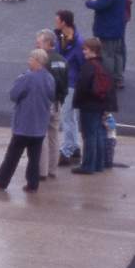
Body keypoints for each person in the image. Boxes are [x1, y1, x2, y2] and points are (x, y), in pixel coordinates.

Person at [0, 49, 56, 193]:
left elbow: (14, 95)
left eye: (30, 59)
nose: (28, 61)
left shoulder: (27, 77)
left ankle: (1, 182)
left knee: (12, 156)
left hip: (24, 125)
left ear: (37, 61)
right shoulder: (50, 79)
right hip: (40, 126)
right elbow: (51, 97)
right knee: (34, 157)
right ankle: (32, 184)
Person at [86, 0, 129, 89]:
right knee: (118, 54)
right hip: (118, 28)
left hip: (107, 28)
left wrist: (89, 2)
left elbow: (100, 4)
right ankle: (119, 78)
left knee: (107, 55)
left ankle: (108, 80)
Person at [71, 38, 109, 174]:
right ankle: (98, 164)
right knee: (98, 133)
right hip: (100, 104)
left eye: (85, 49)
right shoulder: (102, 64)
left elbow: (82, 87)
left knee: (89, 135)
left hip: (89, 105)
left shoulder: (88, 66)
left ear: (93, 50)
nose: (83, 52)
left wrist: (76, 102)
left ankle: (88, 165)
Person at [35, 30, 68, 181]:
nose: (37, 43)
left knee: (41, 137)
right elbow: (65, 84)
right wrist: (60, 99)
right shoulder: (62, 60)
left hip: (45, 103)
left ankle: (42, 171)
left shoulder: (43, 60)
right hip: (57, 103)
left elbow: (41, 83)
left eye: (39, 41)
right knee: (54, 137)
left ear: (48, 43)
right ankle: (52, 169)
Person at [54, 10, 84, 167]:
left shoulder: (77, 43)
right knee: (70, 117)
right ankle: (75, 147)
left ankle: (66, 151)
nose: (55, 22)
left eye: (57, 20)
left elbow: (82, 65)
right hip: (66, 82)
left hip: (71, 84)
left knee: (67, 117)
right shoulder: (62, 38)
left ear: (64, 22)